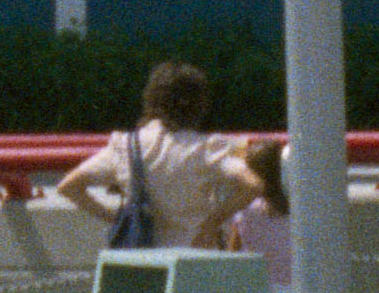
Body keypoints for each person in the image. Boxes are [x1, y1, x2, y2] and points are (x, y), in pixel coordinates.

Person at [52, 63, 269, 249]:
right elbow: (253, 184)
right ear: (199, 105)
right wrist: (213, 221)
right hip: (195, 254)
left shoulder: (126, 146)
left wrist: (117, 217)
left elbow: (68, 186)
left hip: (141, 258)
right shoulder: (206, 148)